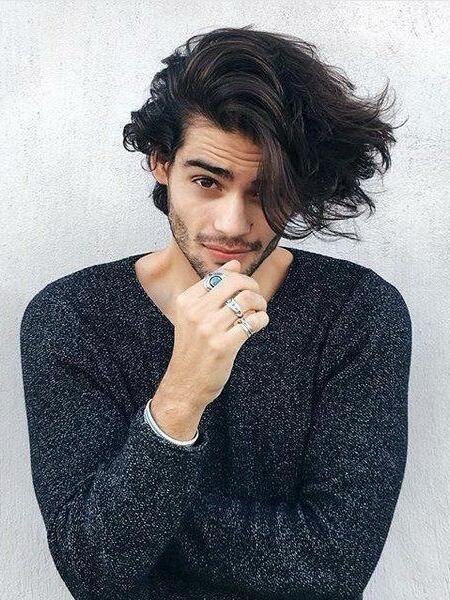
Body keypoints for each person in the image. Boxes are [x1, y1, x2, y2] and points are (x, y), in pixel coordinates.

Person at [19, 25, 412, 600]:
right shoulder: (73, 318)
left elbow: (334, 567)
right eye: (207, 181)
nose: (232, 223)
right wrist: (181, 394)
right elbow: (95, 571)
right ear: (161, 163)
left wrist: (136, 516)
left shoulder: (357, 314)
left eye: (265, 190)